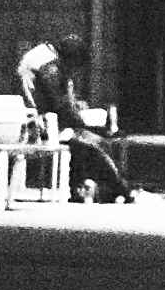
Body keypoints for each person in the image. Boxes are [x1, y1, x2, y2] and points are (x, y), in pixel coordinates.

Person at [15, 32, 132, 200]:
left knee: (83, 140)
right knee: (96, 142)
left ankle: (83, 189)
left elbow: (53, 100)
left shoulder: (42, 55)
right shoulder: (52, 69)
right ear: (71, 60)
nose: (74, 72)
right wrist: (85, 121)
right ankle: (122, 189)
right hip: (42, 126)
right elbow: (62, 108)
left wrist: (75, 107)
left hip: (33, 122)